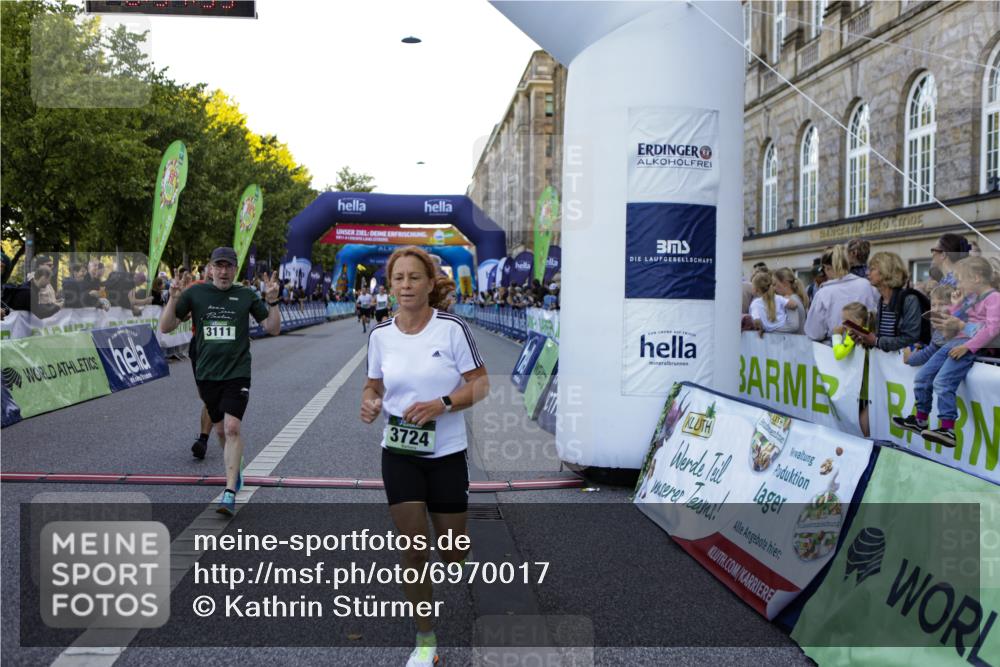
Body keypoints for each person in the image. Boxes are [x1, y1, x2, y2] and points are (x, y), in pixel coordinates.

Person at [360, 246, 490, 667]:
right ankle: (426, 641)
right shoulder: (380, 335)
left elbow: (481, 383)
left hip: (447, 452)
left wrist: (443, 404)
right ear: (390, 284)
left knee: (452, 551)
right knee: (414, 548)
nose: (406, 285)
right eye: (399, 278)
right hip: (399, 452)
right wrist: (370, 402)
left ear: (431, 283)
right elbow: (373, 386)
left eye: (415, 277)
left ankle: (458, 555)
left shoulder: (451, 329)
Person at [160, 248, 281, 514]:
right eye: (219, 266)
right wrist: (172, 299)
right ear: (211, 268)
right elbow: (166, 327)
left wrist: (273, 302)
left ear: (235, 269)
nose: (224, 271)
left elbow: (273, 328)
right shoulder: (195, 293)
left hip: (237, 371)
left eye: (229, 267)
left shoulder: (246, 295)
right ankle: (234, 469)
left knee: (232, 427)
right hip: (207, 373)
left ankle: (228, 492)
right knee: (219, 431)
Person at [893, 257, 1000, 447]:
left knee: (942, 382)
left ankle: (948, 428)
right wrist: (957, 304)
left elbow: (991, 330)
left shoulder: (994, 299)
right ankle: (920, 419)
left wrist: (968, 346)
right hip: (954, 343)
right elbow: (954, 319)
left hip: (965, 347)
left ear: (975, 278)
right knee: (922, 377)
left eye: (960, 279)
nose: (958, 284)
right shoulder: (972, 298)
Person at [853, 251, 926, 353]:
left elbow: (910, 339)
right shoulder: (882, 300)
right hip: (888, 365)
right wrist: (865, 339)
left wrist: (876, 341)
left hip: (905, 366)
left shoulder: (909, 300)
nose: (867, 273)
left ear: (885, 271)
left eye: (872, 269)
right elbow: (883, 338)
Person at [804, 245, 879, 342]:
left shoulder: (823, 293)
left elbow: (814, 333)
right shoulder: (866, 285)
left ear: (827, 268)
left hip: (836, 348)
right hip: (865, 345)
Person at [749, 271, 798, 335]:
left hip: (769, 333)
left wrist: (760, 329)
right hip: (784, 330)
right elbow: (794, 305)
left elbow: (756, 320)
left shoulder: (755, 304)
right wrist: (787, 297)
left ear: (755, 289)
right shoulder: (778, 298)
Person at [772, 268, 809, 333]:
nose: (773, 288)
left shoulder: (789, 300)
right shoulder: (797, 297)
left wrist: (771, 329)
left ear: (785, 283)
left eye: (774, 284)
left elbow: (793, 326)